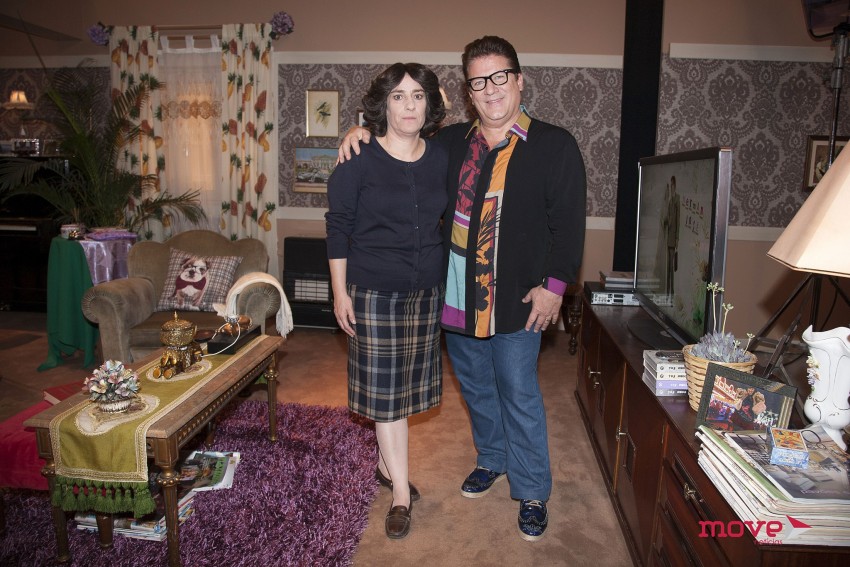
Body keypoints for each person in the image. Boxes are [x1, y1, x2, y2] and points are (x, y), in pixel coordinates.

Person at [339, 36, 587, 542]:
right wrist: (359, 130)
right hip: (455, 297)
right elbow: (399, 137)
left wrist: (555, 287)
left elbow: (568, 225)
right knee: (475, 388)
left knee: (518, 391)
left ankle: (532, 489)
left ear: (518, 81)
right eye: (479, 82)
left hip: (519, 297)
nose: (491, 89)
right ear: (469, 93)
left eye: (500, 77)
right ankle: (491, 458)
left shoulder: (554, 144)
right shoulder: (450, 142)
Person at [325, 62, 448, 540]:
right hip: (373, 292)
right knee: (387, 397)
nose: (409, 106)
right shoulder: (357, 158)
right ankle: (400, 492)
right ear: (383, 105)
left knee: (406, 390)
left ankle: (384, 464)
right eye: (398, 96)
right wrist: (340, 292)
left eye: (418, 95)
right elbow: (338, 229)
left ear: (430, 104)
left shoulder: (442, 157)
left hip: (426, 292)